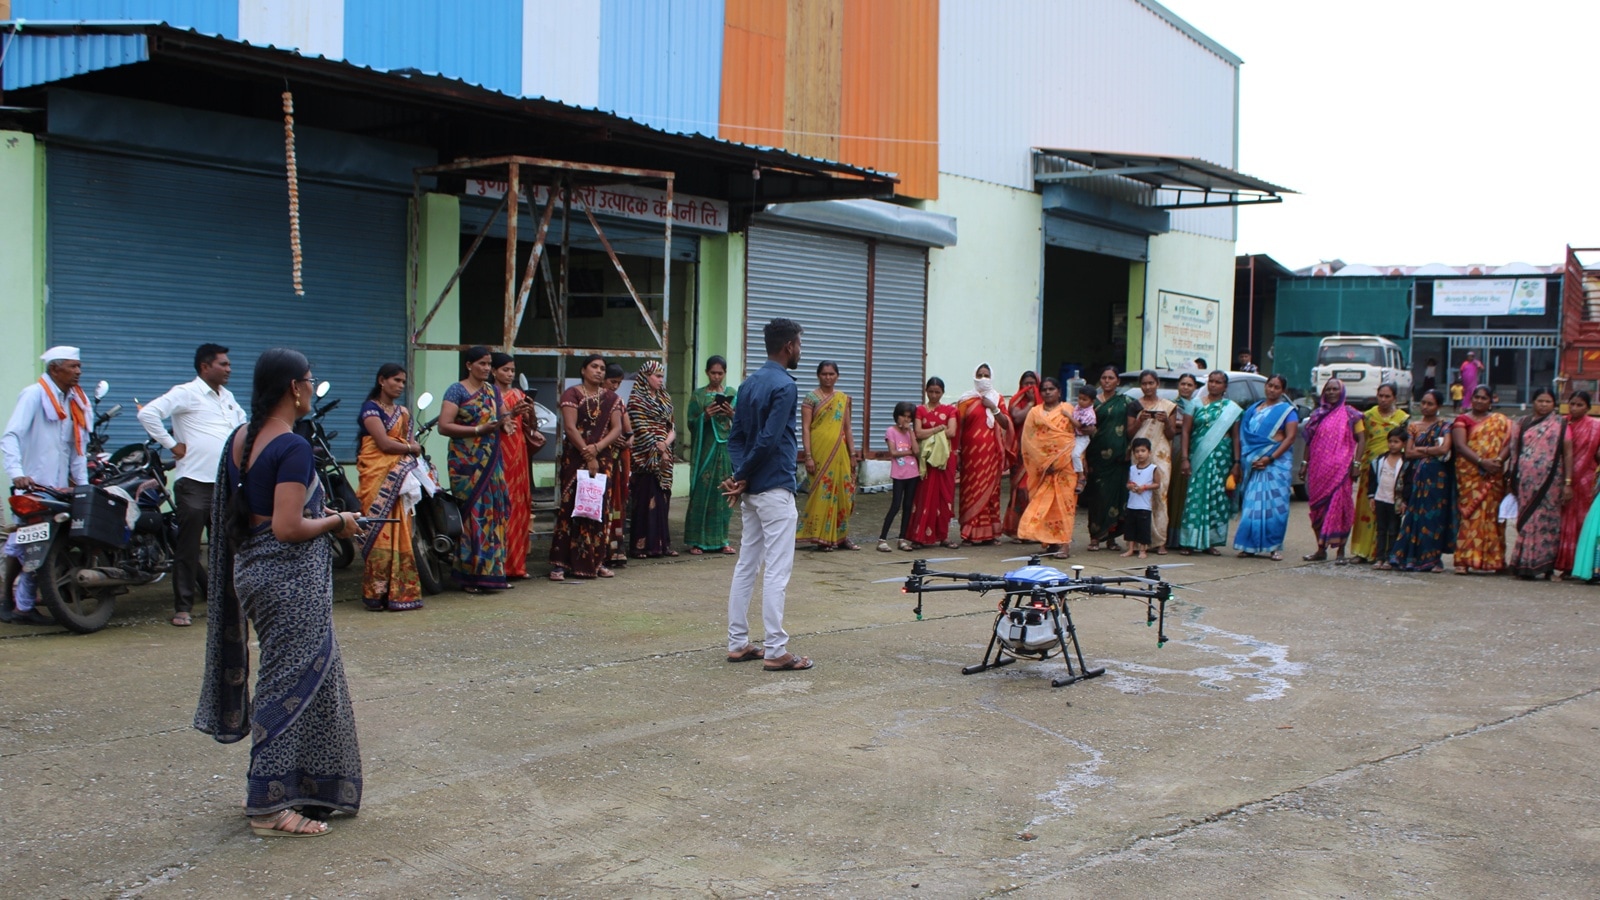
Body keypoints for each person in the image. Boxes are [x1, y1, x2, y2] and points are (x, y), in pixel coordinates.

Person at [195, 347, 364, 838]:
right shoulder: (292, 446)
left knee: (312, 682)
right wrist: (338, 521)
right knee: (285, 688)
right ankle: (267, 807)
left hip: (254, 573)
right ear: (294, 387)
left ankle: (304, 786)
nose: (312, 388)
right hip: (289, 584)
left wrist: (321, 516)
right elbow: (288, 528)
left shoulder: (241, 437)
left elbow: (260, 514)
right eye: (310, 380)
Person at [723, 318, 813, 671]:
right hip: (774, 486)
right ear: (789, 346)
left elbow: (736, 439)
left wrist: (740, 475)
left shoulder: (748, 384)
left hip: (753, 491)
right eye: (799, 344)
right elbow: (769, 440)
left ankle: (738, 642)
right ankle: (776, 650)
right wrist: (742, 475)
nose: (800, 350)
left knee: (747, 564)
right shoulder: (785, 386)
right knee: (777, 570)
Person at [135, 342, 246, 626]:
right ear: (205, 367)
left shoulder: (228, 398)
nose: (229, 369)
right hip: (195, 483)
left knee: (228, 545)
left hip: (225, 484)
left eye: (229, 364)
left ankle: (229, 602)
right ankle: (183, 608)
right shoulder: (186, 392)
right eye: (223, 364)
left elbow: (243, 428)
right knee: (189, 547)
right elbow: (147, 413)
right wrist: (172, 445)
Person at [0, 346, 91, 626]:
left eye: (79, 366)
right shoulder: (34, 394)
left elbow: (78, 449)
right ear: (54, 369)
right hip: (32, 486)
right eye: (72, 366)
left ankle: (23, 606)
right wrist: (17, 473)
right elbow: (11, 436)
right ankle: (8, 600)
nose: (78, 371)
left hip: (57, 488)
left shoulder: (76, 400)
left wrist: (83, 486)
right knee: (25, 543)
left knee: (43, 547)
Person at [437, 346, 510, 593]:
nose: (487, 368)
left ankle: (492, 573)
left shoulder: (492, 391)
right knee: (472, 516)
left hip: (491, 461)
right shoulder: (456, 390)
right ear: (469, 365)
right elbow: (444, 426)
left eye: (489, 364)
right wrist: (477, 430)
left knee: (493, 513)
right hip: (465, 464)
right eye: (482, 364)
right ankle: (470, 575)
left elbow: (502, 419)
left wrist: (510, 420)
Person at [355, 363, 425, 611]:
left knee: (401, 530)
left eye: (403, 381)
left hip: (399, 481)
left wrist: (410, 448)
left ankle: (400, 592)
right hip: (376, 477)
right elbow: (384, 444)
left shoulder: (404, 413)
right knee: (378, 532)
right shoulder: (370, 409)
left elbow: (409, 442)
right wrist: (410, 448)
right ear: (382, 381)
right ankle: (376, 595)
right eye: (396, 380)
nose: (400, 385)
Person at [550, 354, 625, 581]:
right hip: (576, 458)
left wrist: (597, 448)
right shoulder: (572, 394)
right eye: (594, 366)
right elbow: (570, 428)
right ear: (583, 370)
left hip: (603, 459)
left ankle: (596, 562)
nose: (599, 371)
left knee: (598, 508)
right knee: (571, 507)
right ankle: (560, 564)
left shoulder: (612, 398)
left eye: (602, 368)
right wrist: (587, 453)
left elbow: (616, 429)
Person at [1506, 388, 1571, 580]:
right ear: (1533, 402)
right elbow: (1514, 451)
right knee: (1527, 520)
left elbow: (1567, 453)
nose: (1543, 405)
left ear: (1554, 404)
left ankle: (1546, 566)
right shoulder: (1522, 423)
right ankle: (1524, 564)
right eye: (1540, 401)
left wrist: (1568, 482)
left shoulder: (1561, 424)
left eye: (1548, 401)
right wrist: (1511, 477)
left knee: (1548, 522)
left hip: (1551, 482)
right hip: (1525, 481)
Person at [1388, 389, 1456, 573]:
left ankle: (1433, 559)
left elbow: (1444, 449)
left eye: (1430, 404)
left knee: (1434, 517)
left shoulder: (1445, 426)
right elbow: (1409, 452)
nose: (1425, 407)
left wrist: (1422, 450)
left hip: (1437, 480)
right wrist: (1431, 450)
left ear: (1438, 406)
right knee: (1415, 515)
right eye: (1423, 403)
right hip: (1417, 477)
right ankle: (1410, 557)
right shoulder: (1414, 426)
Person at [1233, 373, 1299, 561]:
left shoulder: (1287, 411)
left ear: (1283, 391)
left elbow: (1290, 438)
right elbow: (1246, 437)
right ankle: (1248, 546)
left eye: (1277, 387)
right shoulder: (1253, 410)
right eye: (1270, 385)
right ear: (1265, 386)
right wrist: (1251, 458)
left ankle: (1274, 547)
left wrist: (1270, 458)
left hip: (1276, 465)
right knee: (1251, 505)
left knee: (1275, 507)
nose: (1272, 390)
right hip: (1254, 464)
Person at [1177, 371, 1242, 555]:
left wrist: (1237, 462)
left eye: (1218, 382)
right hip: (1198, 457)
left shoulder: (1232, 409)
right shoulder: (1195, 404)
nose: (1213, 385)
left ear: (1225, 386)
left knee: (1217, 497)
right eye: (1211, 381)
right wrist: (1184, 458)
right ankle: (1188, 542)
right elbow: (1186, 432)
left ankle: (1210, 542)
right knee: (1195, 497)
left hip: (1222, 459)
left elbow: (1236, 437)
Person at [1300, 378, 1364, 562]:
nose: (1331, 392)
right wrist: (1304, 463)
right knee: (1317, 509)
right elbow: (1309, 441)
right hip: (1318, 471)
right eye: (1328, 389)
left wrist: (1357, 464)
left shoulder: (1352, 414)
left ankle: (1340, 552)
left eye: (1335, 389)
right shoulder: (1317, 415)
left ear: (1342, 392)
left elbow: (1362, 439)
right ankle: (1320, 550)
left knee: (1340, 509)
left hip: (1341, 471)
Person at [1451, 385, 1513, 575]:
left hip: (1494, 474)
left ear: (1491, 401)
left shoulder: (1501, 421)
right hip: (1470, 474)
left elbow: (1510, 443)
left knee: (1493, 516)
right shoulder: (1462, 420)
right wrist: (1481, 462)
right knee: (1470, 515)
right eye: (1476, 397)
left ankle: (1495, 561)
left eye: (1484, 398)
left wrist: (1498, 461)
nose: (1479, 401)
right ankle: (1465, 560)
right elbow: (1460, 446)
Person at [797, 361, 859, 550]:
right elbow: (806, 428)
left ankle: (841, 536)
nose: (828, 377)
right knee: (821, 493)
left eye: (831, 374)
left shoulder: (842, 398)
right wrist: (808, 456)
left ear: (837, 376)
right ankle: (820, 536)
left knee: (844, 493)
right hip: (819, 452)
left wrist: (853, 454)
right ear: (818, 375)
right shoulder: (811, 399)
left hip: (840, 453)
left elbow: (847, 428)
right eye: (824, 374)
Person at [491, 354, 541, 579]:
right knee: (501, 505)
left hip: (518, 453)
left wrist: (530, 410)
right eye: (505, 370)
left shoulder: (519, 395)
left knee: (519, 507)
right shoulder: (490, 395)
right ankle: (498, 564)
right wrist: (511, 414)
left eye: (512, 370)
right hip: (498, 451)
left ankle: (517, 564)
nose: (510, 374)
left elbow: (532, 426)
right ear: (494, 371)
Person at [1017, 376, 1078, 556]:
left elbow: (1074, 437)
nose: (1048, 392)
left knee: (1065, 505)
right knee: (1045, 505)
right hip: (1042, 470)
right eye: (1044, 389)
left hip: (1066, 467)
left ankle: (1065, 544)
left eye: (1051, 389)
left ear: (1059, 391)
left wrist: (1060, 461)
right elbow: (1029, 441)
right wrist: (1045, 463)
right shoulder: (1035, 413)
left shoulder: (1068, 410)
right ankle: (1050, 541)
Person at [1349, 383, 1409, 562]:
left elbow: (1406, 443)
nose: (1383, 400)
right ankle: (1362, 552)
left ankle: (1384, 553)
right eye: (1380, 396)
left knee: (1389, 512)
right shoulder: (1367, 416)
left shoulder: (1402, 418)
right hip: (1371, 469)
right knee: (1367, 509)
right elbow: (1361, 440)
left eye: (1387, 396)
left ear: (1394, 398)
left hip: (1393, 471)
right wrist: (1357, 463)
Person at [684, 356, 737, 555]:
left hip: (725, 450)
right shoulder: (698, 396)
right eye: (713, 373)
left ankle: (722, 540)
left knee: (724, 493)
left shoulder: (732, 394)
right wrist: (705, 416)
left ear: (725, 373)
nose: (716, 377)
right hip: (705, 450)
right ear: (707, 372)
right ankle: (696, 541)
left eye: (720, 373)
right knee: (702, 491)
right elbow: (691, 423)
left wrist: (731, 414)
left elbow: (742, 422)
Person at [955, 363, 1012, 545]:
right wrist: (957, 451)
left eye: (986, 375)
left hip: (992, 455)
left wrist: (993, 408)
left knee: (991, 493)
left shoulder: (997, 398)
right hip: (971, 455)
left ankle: (991, 534)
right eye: (979, 375)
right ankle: (969, 533)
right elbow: (958, 427)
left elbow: (1006, 424)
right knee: (971, 491)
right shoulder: (966, 400)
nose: (983, 379)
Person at [628, 359, 679, 559]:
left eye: (661, 377)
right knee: (644, 499)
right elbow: (640, 428)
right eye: (657, 376)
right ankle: (641, 546)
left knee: (662, 498)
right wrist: (659, 449)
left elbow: (671, 427)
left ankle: (661, 545)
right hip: (645, 455)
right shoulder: (636, 400)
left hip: (665, 450)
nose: (660, 380)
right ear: (646, 376)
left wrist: (665, 445)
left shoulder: (665, 397)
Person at [1128, 370, 1178, 554]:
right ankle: (1138, 541)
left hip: (1161, 455)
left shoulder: (1168, 406)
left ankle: (1159, 541)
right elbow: (1129, 433)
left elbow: (1171, 435)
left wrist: (1166, 422)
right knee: (1139, 494)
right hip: (1139, 454)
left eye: (1151, 383)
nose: (1148, 387)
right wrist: (1139, 420)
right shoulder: (1134, 406)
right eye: (1144, 384)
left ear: (1157, 384)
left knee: (1160, 495)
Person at [907, 377, 959, 548]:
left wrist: (929, 432)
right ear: (926, 391)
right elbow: (918, 433)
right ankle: (920, 536)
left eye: (937, 392)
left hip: (944, 459)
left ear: (943, 393)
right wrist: (938, 429)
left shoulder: (950, 410)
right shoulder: (920, 410)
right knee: (924, 496)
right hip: (926, 460)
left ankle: (943, 535)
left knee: (945, 496)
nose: (934, 395)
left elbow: (952, 432)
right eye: (931, 391)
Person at [1085, 365, 1132, 552]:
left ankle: (1111, 538)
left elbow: (1133, 425)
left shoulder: (1126, 401)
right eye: (1104, 378)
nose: (1107, 381)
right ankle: (1095, 537)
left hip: (1119, 459)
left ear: (1117, 381)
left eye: (1111, 378)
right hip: (1096, 457)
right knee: (1098, 497)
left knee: (1117, 498)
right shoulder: (1091, 402)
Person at [1556, 392, 1600, 578]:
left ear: (1588, 408)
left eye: (1579, 405)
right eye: (1572, 404)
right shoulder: (1560, 424)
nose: (1574, 408)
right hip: (1561, 478)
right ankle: (1564, 564)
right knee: (1562, 521)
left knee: (1583, 521)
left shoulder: (1595, 427)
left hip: (1586, 481)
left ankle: (1581, 564)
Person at [1002, 371, 1041, 540]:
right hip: (1019, 452)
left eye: (1033, 383)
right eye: (1026, 384)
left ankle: (1033, 531)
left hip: (1038, 453)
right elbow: (1017, 418)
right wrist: (1031, 403)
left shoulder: (1044, 402)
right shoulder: (1016, 401)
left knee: (1035, 491)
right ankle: (1017, 530)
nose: (1030, 387)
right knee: (1020, 490)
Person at [877, 401, 920, 552]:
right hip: (899, 474)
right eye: (903, 416)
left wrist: (910, 432)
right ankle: (882, 539)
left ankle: (902, 538)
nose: (905, 420)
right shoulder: (891, 431)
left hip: (913, 473)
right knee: (895, 505)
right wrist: (909, 452)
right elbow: (893, 452)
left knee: (908, 506)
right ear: (897, 416)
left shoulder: (910, 432)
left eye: (909, 417)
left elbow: (917, 451)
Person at [1367, 428, 1411, 571]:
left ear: (1404, 444)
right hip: (1380, 499)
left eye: (1396, 442)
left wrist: (1404, 501)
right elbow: (1372, 480)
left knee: (1393, 530)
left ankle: (1390, 557)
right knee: (1381, 530)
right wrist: (1371, 496)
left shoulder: (1406, 463)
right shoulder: (1379, 460)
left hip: (1395, 502)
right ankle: (1379, 558)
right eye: (1390, 441)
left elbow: (1408, 483)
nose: (1392, 444)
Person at [1166, 372, 1200, 546]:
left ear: (1195, 388)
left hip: (1190, 449)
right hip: (1172, 448)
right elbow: (1167, 426)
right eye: (1183, 384)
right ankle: (1166, 535)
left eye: (1189, 385)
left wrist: (1180, 425)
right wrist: (1184, 425)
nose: (1186, 387)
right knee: (1170, 489)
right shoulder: (1170, 405)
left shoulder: (1198, 406)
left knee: (1185, 492)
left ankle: (1182, 537)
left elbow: (1198, 426)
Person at [603, 364, 632, 567]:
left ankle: (615, 550)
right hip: (600, 456)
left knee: (616, 503)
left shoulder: (618, 401)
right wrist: (610, 437)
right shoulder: (592, 400)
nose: (614, 386)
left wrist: (625, 440)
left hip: (616, 459)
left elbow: (629, 432)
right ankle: (600, 551)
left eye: (618, 383)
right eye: (612, 382)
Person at [1122, 437, 1159, 559]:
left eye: (1143, 451)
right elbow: (1128, 483)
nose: (1140, 454)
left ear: (1149, 452)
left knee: (1143, 528)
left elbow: (1157, 484)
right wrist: (1130, 486)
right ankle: (1131, 549)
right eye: (1137, 451)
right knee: (1130, 528)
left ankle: (1143, 550)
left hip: (1144, 505)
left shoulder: (1153, 468)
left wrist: (1145, 487)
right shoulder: (1132, 468)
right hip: (1132, 504)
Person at [1070, 386, 1098, 494]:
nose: (1081, 401)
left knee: (1075, 455)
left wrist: (1067, 415)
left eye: (1084, 399)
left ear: (1092, 401)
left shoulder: (1089, 413)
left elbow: (1078, 425)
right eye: (1079, 398)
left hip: (1082, 438)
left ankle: (1081, 477)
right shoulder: (1078, 407)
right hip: (1073, 436)